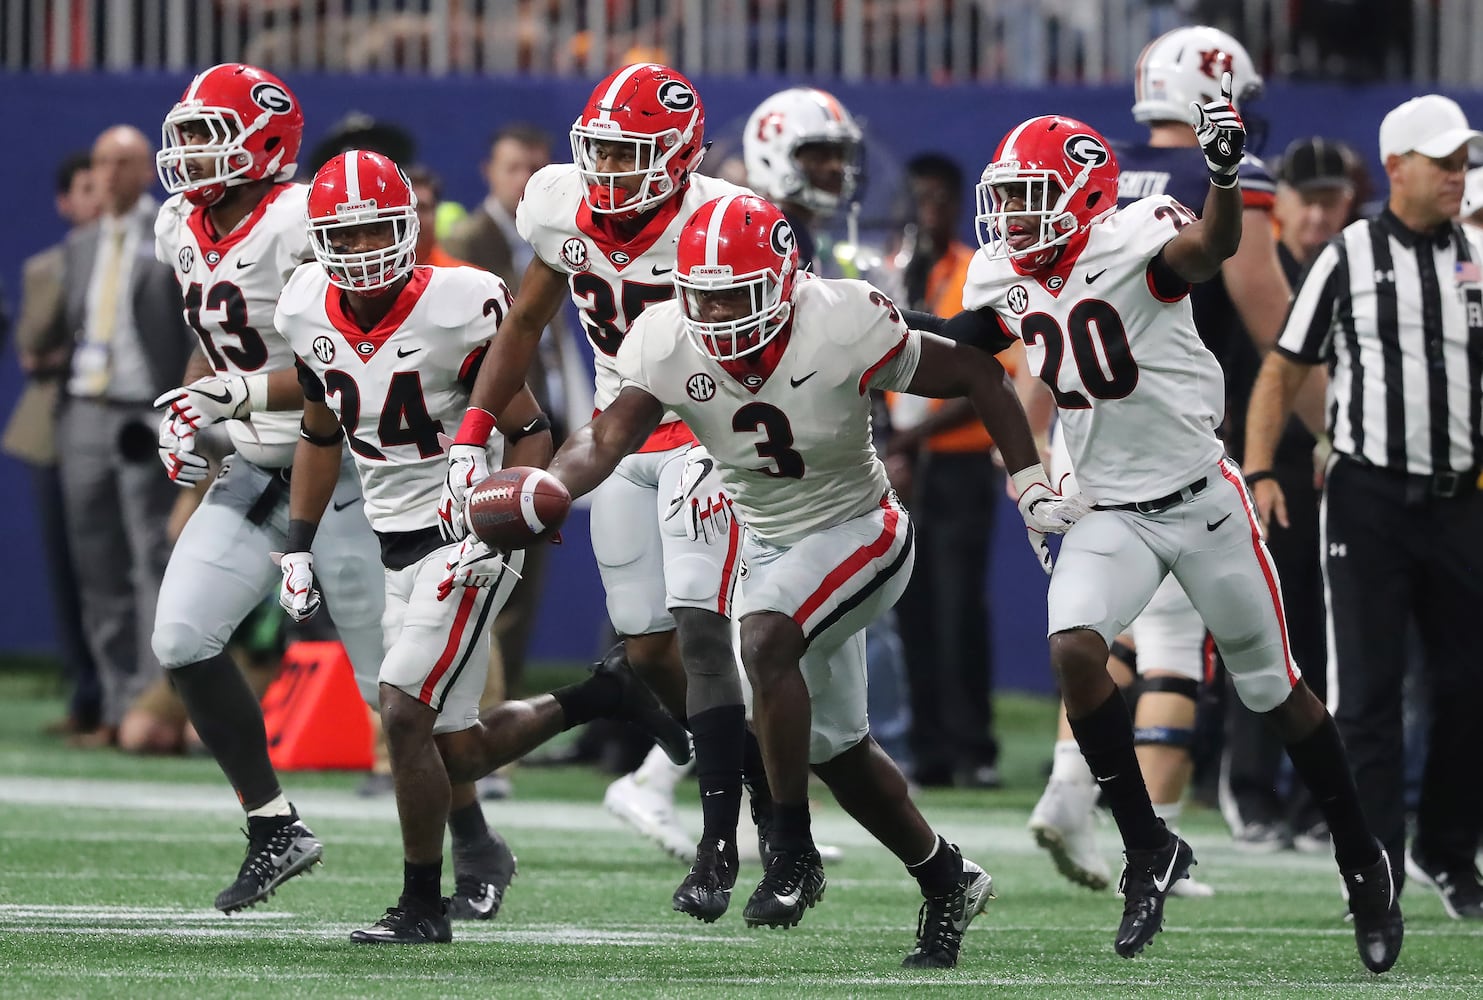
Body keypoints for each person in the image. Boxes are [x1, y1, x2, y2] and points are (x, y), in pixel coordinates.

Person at [494, 192, 1060, 965]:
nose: (720, 312)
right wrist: (548, 487)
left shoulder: (843, 317)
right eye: (706, 294)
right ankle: (945, 876)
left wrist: (1029, 483)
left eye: (738, 292)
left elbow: (980, 376)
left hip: (861, 530)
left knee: (760, 638)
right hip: (771, 543)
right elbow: (605, 439)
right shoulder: (665, 338)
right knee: (836, 746)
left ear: (785, 281)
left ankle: (790, 848)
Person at [950, 89, 1402, 972]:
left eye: (1028, 195)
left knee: (1274, 693)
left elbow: (1209, 246)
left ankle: (1362, 863)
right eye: (1003, 195)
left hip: (1201, 499)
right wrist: (862, 337)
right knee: (1076, 651)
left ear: (1082, 199)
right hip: (1109, 510)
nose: (1009, 214)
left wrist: (1225, 177)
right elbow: (962, 349)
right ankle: (1145, 847)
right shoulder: (1001, 272)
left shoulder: (1133, 238)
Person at [274, 148, 692, 944]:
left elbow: (530, 427)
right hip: (390, 538)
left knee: (401, 715)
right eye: (347, 237)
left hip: (464, 535)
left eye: (376, 233)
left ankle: (421, 907)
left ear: (409, 228)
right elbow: (321, 429)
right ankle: (605, 695)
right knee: (452, 752)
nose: (363, 252)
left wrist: (506, 521)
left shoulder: (459, 302)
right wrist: (298, 544)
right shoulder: (304, 307)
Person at [149, 63, 511, 922]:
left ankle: (475, 844)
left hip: (349, 467)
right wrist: (190, 402)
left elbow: (344, 357)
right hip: (250, 464)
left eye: (209, 133)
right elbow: (218, 344)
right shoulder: (176, 224)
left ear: (265, 138)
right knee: (181, 638)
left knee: (392, 693)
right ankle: (272, 825)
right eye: (188, 133)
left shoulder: (300, 218)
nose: (191, 151)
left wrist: (228, 394)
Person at [440, 63, 776, 920]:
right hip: (613, 437)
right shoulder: (561, 203)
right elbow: (524, 318)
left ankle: (720, 845)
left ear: (678, 158)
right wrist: (477, 430)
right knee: (650, 650)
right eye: (601, 151)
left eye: (631, 155)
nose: (610, 172)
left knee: (702, 631)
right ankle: (769, 806)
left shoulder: (722, 219)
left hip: (706, 433)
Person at [1024, 27, 1294, 892]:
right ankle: (1163, 841)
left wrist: (1032, 448)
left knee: (1104, 630)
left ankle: (1070, 787)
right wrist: (1325, 421)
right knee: (1179, 642)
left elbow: (1036, 324)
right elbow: (1268, 314)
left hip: (1080, 428)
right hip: (1167, 440)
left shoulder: (1101, 179)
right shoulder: (1218, 179)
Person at [1244, 93, 1483, 921]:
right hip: (1368, 496)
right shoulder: (1348, 254)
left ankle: (1447, 849)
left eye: (1463, 163)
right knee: (1369, 693)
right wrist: (1260, 467)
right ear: (1395, 168)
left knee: (1467, 686)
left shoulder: (1478, 256)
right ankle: (1373, 870)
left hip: (1460, 498)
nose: (1457, 176)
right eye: (1443, 162)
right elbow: (1282, 367)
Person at [743, 85, 916, 792]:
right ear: (772, 152)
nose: (831, 170)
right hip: (758, 466)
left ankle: (803, 777)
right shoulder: (761, 233)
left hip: (802, 463)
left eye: (836, 155)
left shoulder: (803, 235)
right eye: (814, 154)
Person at [1220, 135, 1356, 852]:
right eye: (1309, 201)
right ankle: (1249, 789)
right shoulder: (1258, 265)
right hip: (1269, 466)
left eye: (1332, 200)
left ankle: (1310, 799)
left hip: (1336, 474)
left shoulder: (1355, 267)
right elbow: (1247, 377)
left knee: (1327, 637)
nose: (1319, 217)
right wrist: (1255, 462)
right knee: (1263, 629)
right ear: (1283, 205)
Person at [55, 124, 196, 748]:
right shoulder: (81, 244)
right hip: (86, 407)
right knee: (97, 562)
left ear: (146, 171)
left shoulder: (167, 237)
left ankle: (151, 696)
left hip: (147, 408)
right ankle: (114, 703)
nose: (110, 173)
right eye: (102, 161)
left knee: (152, 559)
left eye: (125, 162)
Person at [886, 151, 1007, 789]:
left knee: (960, 605)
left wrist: (912, 437)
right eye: (919, 198)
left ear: (957, 205)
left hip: (958, 463)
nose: (928, 211)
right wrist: (886, 439)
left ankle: (974, 746)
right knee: (910, 605)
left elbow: (988, 378)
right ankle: (928, 746)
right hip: (898, 463)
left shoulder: (975, 272)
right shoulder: (891, 272)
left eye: (940, 199)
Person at [2, 152, 102, 739]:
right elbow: (31, 350)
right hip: (52, 427)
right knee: (69, 572)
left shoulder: (147, 256)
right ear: (66, 202)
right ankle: (83, 694)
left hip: (121, 430)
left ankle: (123, 698)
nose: (96, 196)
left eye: (102, 184)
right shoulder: (49, 266)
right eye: (84, 188)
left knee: (120, 571)